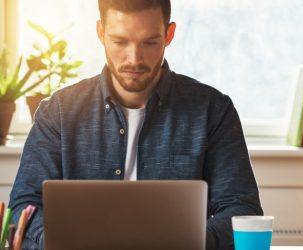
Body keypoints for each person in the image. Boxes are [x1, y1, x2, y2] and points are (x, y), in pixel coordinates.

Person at [9, 0, 263, 249]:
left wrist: (183, 242)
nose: (134, 59)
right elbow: (25, 206)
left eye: (149, 42)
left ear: (169, 34)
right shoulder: (58, 112)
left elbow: (241, 209)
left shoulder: (213, 110)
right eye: (120, 41)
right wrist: (64, 242)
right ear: (101, 33)